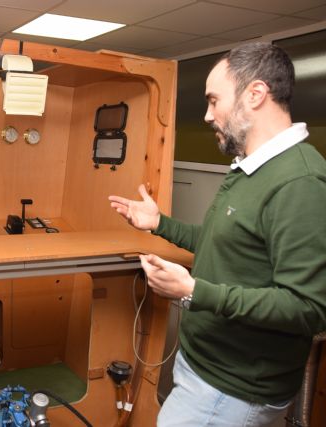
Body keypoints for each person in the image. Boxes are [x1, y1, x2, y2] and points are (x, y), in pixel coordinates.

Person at [109, 42, 326, 426]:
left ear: (255, 94)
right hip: (204, 371)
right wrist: (160, 224)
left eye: (214, 100)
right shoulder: (250, 167)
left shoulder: (300, 181)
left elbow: (307, 308)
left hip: (233, 390)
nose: (208, 115)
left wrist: (194, 291)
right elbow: (223, 244)